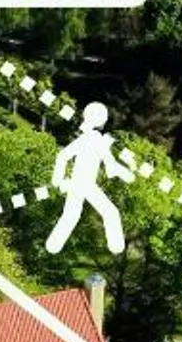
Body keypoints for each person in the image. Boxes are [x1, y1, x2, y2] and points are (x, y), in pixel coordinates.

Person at [45, 101, 128, 256]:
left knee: (73, 215)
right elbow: (63, 156)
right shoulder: (88, 140)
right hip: (82, 184)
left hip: (86, 184)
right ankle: (53, 245)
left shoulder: (98, 140)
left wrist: (119, 170)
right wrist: (58, 180)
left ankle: (53, 245)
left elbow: (110, 162)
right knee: (108, 212)